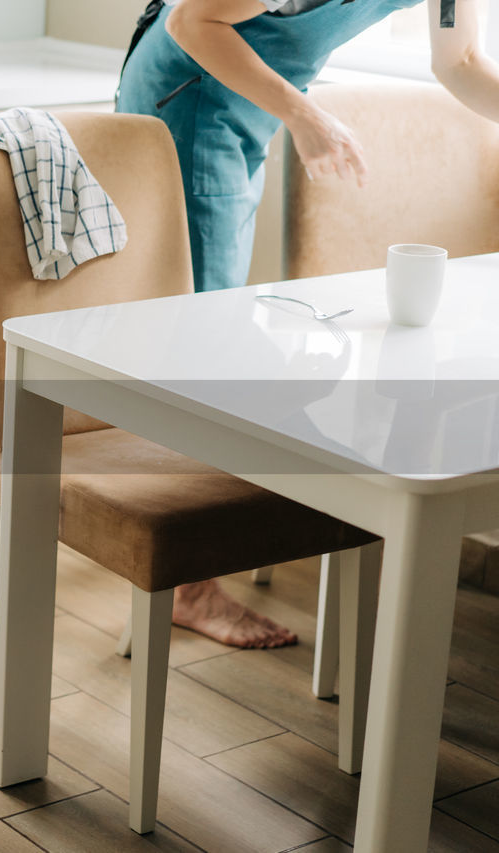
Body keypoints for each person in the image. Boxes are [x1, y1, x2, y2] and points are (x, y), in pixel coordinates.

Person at [117, 0, 499, 648]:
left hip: (243, 97)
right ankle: (189, 585)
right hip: (190, 88)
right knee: (205, 341)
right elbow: (191, 22)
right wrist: (304, 111)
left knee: (218, 333)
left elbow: (458, 60)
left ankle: (190, 552)